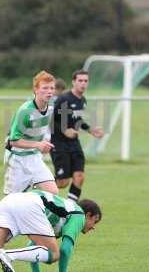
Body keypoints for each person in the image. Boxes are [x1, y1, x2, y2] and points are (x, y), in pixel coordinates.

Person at [0, 189, 102, 272]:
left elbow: (32, 246)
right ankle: (7, 255)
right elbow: (65, 250)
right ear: (88, 215)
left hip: (10, 201)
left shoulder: (60, 216)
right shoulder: (78, 215)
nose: (93, 227)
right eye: (95, 221)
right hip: (30, 204)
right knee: (54, 254)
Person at [50, 70, 104, 202]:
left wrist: (90, 129)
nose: (83, 84)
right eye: (80, 81)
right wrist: (64, 130)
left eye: (86, 81)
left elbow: (77, 120)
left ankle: (71, 209)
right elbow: (51, 120)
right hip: (59, 144)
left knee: (79, 176)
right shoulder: (64, 99)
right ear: (74, 82)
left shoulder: (82, 101)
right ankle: (39, 191)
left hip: (74, 143)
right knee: (63, 183)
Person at [3, 71, 58, 195]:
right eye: (45, 88)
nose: (49, 91)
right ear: (36, 90)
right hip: (17, 159)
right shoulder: (25, 111)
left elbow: (40, 132)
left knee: (53, 192)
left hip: (34, 158)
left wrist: (44, 144)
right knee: (10, 202)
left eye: (52, 88)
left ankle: (33, 211)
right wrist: (38, 145)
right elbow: (13, 141)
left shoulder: (50, 108)